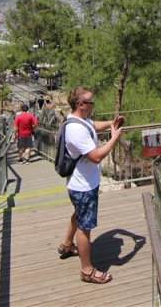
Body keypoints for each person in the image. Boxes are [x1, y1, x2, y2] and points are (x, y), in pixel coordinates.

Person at [58, 87, 124, 284]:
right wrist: (114, 138)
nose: (93, 105)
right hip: (83, 186)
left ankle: (67, 244)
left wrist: (110, 124)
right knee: (85, 227)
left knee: (79, 214)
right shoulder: (75, 129)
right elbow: (95, 157)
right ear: (81, 105)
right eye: (91, 102)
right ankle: (87, 270)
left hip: (81, 183)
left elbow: (92, 125)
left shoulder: (79, 120)